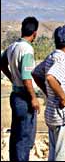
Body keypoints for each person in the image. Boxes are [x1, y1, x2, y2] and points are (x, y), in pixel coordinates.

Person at [0, 16, 40, 161]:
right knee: (25, 138)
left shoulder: (13, 46)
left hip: (15, 95)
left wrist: (12, 78)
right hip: (24, 98)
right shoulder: (27, 49)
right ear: (34, 33)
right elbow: (27, 78)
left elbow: (2, 64)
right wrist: (34, 98)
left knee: (16, 136)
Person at [32, 25, 65, 161]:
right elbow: (50, 77)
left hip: (52, 114)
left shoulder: (51, 57)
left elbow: (36, 73)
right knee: (61, 156)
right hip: (62, 116)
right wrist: (63, 97)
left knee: (53, 153)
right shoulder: (62, 60)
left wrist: (48, 93)